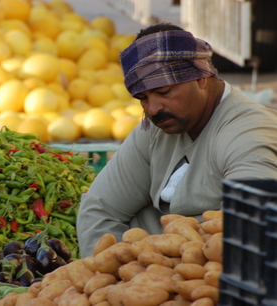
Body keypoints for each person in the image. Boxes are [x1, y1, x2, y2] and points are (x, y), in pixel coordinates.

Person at [76, 23, 277, 258]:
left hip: (207, 277)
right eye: (142, 98)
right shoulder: (156, 128)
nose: (152, 109)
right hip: (141, 279)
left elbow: (249, 229)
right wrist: (108, 276)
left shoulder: (248, 135)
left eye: (164, 92)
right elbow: (99, 209)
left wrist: (174, 281)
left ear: (201, 78)